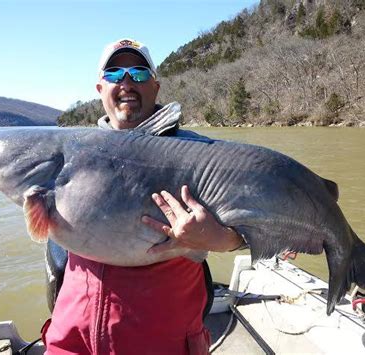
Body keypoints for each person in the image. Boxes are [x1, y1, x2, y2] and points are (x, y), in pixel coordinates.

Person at [42, 38, 244, 355]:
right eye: (113, 74)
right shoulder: (72, 153)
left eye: (138, 74)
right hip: (72, 342)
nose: (126, 82)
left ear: (155, 86)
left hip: (163, 344)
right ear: (99, 89)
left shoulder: (200, 156)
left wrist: (219, 239)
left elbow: (253, 230)